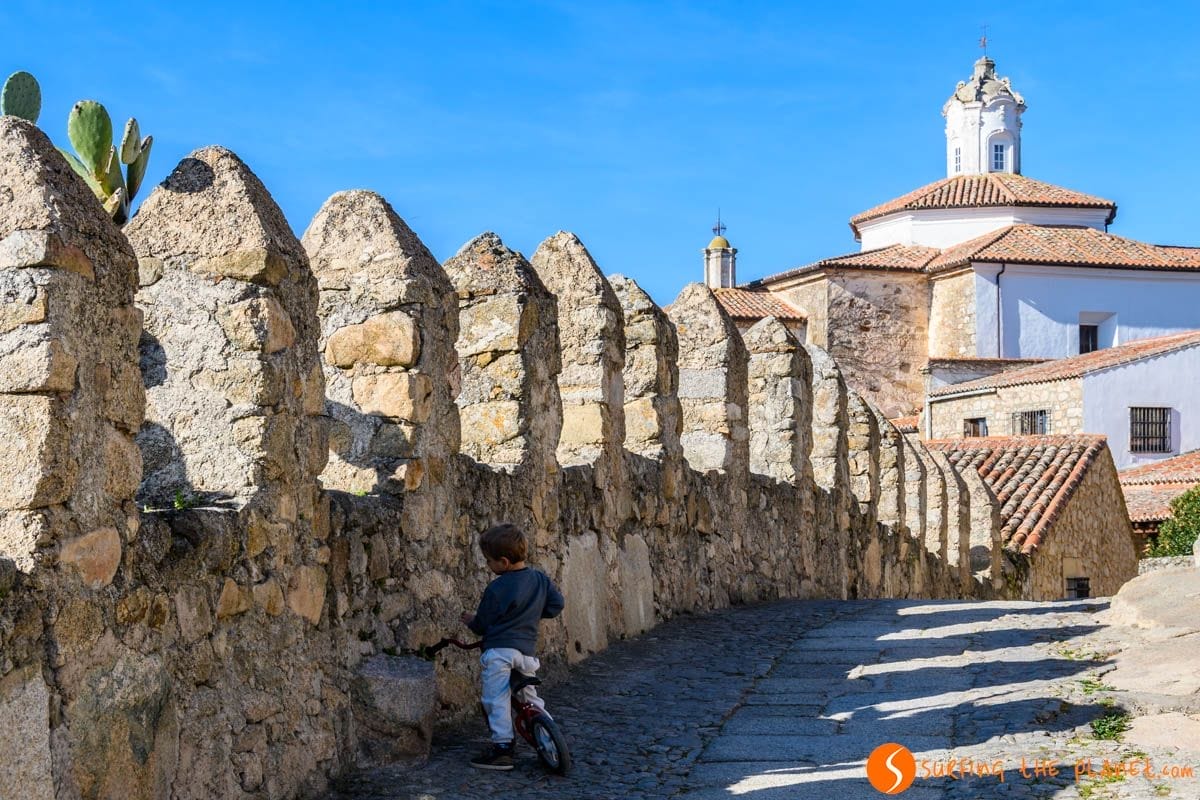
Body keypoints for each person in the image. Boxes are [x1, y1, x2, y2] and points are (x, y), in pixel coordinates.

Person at [461, 522, 565, 771]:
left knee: (495, 699)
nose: (488, 566)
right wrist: (533, 613)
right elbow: (556, 604)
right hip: (526, 653)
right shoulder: (540, 579)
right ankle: (547, 731)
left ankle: (502, 748)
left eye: (489, 561)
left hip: (499, 653)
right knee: (529, 696)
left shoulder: (497, 588)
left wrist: (470, 621)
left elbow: (483, 624)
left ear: (504, 562)